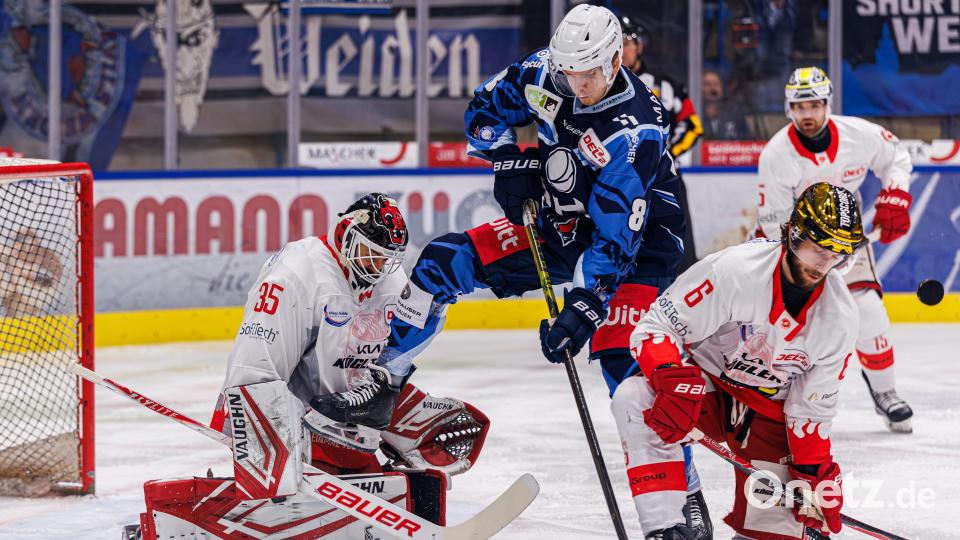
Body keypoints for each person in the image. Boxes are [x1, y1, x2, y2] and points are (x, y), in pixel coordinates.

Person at [310, 4, 709, 536]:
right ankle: (383, 384)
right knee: (441, 263)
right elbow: (484, 108)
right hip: (557, 223)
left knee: (623, 363)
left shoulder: (633, 130)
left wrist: (584, 308)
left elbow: (614, 238)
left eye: (589, 72)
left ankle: (684, 499)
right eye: (570, 71)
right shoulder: (546, 71)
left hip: (637, 245)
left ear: (616, 60)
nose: (577, 83)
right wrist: (507, 160)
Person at [128, 193, 493, 538]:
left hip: (345, 421)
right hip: (294, 421)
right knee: (284, 484)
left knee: (395, 471)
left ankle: (350, 469)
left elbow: (388, 360)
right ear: (347, 235)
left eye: (387, 259)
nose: (378, 267)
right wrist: (266, 459)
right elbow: (256, 364)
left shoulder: (388, 279)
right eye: (371, 254)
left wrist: (398, 422)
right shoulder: (297, 272)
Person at [625, 182, 860, 539]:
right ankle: (666, 527)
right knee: (634, 398)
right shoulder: (735, 271)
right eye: (819, 249)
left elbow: (810, 412)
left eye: (837, 255)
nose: (825, 264)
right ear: (794, 235)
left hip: (770, 414)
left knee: (771, 530)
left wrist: (813, 476)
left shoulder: (840, 317)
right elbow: (656, 326)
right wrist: (669, 375)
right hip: (706, 393)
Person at [755, 66, 915, 433]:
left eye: (814, 105)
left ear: (827, 104)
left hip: (849, 244)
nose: (807, 114)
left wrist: (896, 194)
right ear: (788, 109)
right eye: (799, 106)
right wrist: (810, 257)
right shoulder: (776, 155)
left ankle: (886, 392)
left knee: (870, 313)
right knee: (782, 328)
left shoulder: (859, 135)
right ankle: (769, 396)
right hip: (796, 249)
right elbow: (775, 222)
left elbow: (896, 157)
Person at [621, 14, 702, 274]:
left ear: (640, 47)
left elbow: (693, 126)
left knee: (679, 251)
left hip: (664, 179)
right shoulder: (596, 86)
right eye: (615, 44)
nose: (621, 50)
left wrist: (666, 156)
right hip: (617, 180)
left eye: (627, 43)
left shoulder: (665, 85)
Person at [701, 69, 750, 141]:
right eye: (707, 84)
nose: (713, 88)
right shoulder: (693, 114)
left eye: (716, 84)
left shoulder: (734, 114)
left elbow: (747, 140)